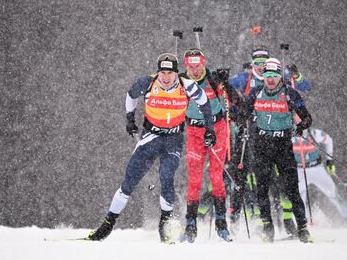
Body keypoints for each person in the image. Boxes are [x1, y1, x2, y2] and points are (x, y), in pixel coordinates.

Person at [86, 53, 216, 243]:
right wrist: (129, 119)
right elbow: (130, 95)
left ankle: (164, 223)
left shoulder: (186, 85)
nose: (165, 77)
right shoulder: (148, 83)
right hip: (150, 138)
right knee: (130, 180)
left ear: (176, 73)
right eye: (162, 72)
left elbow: (205, 104)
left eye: (170, 73)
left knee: (166, 176)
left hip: (173, 139)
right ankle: (107, 224)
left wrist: (210, 130)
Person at [227, 47, 311, 226]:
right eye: (257, 64)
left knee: (286, 184)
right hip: (255, 137)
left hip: (281, 140)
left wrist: (297, 76)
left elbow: (305, 87)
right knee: (248, 178)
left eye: (263, 64)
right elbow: (229, 92)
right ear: (252, 65)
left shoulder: (282, 77)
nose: (260, 68)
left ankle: (291, 220)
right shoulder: (246, 79)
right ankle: (248, 218)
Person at [245, 57, 313, 243]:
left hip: (283, 145)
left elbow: (307, 117)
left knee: (291, 189)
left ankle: (302, 227)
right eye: (268, 75)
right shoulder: (256, 92)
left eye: (275, 75)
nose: (271, 79)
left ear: (280, 77)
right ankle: (268, 227)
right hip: (262, 145)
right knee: (262, 189)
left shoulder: (290, 94)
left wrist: (301, 126)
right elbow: (242, 111)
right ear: (263, 76)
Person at [180, 48, 243, 243]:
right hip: (194, 132)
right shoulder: (182, 81)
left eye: (197, 66)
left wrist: (226, 84)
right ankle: (190, 225)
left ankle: (221, 224)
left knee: (216, 177)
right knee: (194, 179)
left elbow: (238, 103)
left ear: (204, 63)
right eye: (191, 67)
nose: (195, 70)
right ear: (186, 66)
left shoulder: (214, 80)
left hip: (217, 130)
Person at [292, 126, 347, 239]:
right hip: (299, 170)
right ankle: (299, 231)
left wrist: (329, 160)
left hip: (317, 169)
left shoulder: (314, 133)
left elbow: (328, 140)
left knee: (335, 196)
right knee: (298, 201)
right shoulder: (289, 136)